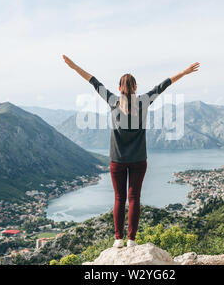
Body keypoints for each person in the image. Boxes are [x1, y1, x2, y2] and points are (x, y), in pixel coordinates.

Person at [62, 55, 199, 248]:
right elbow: (164, 84)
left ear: (119, 88)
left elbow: (93, 81)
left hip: (117, 160)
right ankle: (131, 240)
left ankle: (118, 239)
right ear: (135, 87)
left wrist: (74, 66)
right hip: (138, 160)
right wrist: (184, 72)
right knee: (134, 198)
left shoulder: (113, 100)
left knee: (119, 198)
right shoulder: (143, 101)